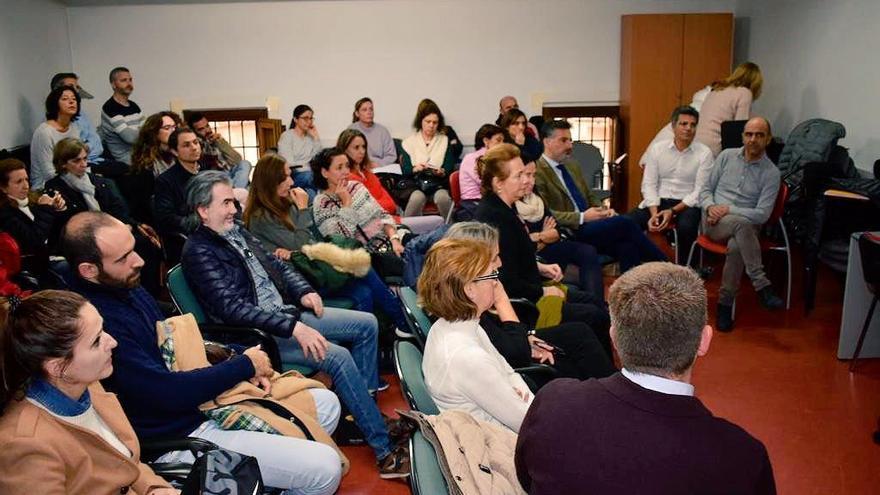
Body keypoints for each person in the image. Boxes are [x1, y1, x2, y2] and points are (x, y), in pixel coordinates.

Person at [59, 212, 346, 493]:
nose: (140, 261)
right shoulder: (100, 326)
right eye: (123, 258)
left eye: (133, 249)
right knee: (325, 467)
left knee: (326, 404)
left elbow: (174, 345)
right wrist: (244, 367)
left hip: (197, 401)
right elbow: (166, 394)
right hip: (177, 432)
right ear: (89, 270)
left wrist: (237, 357)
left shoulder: (124, 286)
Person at [179, 171, 411, 478]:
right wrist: (294, 328)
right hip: (263, 337)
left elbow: (277, 265)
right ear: (202, 210)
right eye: (226, 203)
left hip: (286, 315)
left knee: (366, 324)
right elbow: (232, 309)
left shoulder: (237, 231)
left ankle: (363, 415)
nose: (234, 209)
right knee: (338, 357)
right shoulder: (199, 251)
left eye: (234, 202)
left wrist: (304, 291)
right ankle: (383, 451)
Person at [515, 262, 776, 494]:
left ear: (614, 338)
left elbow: (527, 477)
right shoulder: (743, 458)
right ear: (704, 341)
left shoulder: (553, 401)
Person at [0, 290, 177, 495]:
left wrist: (153, 488)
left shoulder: (86, 385)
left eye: (104, 330)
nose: (112, 342)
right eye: (96, 341)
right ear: (58, 367)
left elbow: (123, 460)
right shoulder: (24, 446)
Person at [244, 153, 409, 332]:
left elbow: (311, 241)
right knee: (362, 265)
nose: (291, 182)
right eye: (285, 177)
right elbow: (303, 243)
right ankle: (404, 323)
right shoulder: (260, 217)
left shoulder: (285, 203)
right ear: (271, 181)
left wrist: (297, 246)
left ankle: (386, 336)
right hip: (300, 279)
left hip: (313, 265)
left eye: (290, 175)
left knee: (364, 289)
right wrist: (302, 209)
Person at [474, 143, 612, 357]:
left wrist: (540, 267)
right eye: (519, 175)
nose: (527, 181)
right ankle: (604, 377)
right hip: (523, 306)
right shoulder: (496, 219)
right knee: (594, 316)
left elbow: (515, 258)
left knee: (595, 303)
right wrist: (543, 291)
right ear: (498, 183)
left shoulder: (506, 208)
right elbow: (504, 280)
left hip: (530, 289)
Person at [444, 222, 616, 387]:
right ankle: (616, 393)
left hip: (514, 346)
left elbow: (500, 337)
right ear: (472, 263)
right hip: (518, 373)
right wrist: (502, 300)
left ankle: (613, 386)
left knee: (580, 332)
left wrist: (527, 337)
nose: (500, 263)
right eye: (495, 258)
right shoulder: (470, 307)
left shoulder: (462, 296)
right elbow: (514, 354)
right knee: (573, 357)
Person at [418, 237, 534, 432]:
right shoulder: (466, 356)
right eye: (491, 276)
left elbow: (508, 372)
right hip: (504, 448)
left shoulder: (455, 325)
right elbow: (528, 424)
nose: (497, 283)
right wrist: (516, 397)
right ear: (469, 289)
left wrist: (518, 395)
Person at [535, 119, 667, 272]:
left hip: (590, 224)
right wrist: (583, 217)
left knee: (627, 246)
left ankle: (631, 291)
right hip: (568, 230)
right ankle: (668, 267)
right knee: (626, 223)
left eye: (570, 140)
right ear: (547, 142)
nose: (570, 146)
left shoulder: (572, 165)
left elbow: (589, 196)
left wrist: (603, 210)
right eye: (563, 140)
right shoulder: (538, 172)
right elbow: (548, 214)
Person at [45, 138, 163, 296]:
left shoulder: (99, 181)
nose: (83, 164)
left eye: (85, 159)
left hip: (111, 230)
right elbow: (70, 221)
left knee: (145, 243)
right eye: (76, 160)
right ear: (63, 164)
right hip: (82, 239)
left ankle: (148, 293)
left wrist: (126, 224)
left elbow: (118, 209)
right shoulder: (55, 187)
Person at [698, 117, 783, 331]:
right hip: (714, 223)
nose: (753, 139)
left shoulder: (772, 173)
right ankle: (762, 285)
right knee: (741, 226)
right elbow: (705, 191)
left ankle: (724, 304)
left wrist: (729, 209)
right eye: (749, 134)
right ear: (743, 136)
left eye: (759, 135)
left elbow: (762, 214)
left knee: (737, 243)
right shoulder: (726, 156)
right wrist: (710, 207)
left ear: (768, 139)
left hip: (746, 228)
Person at [627, 105, 713, 266]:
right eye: (683, 124)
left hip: (687, 204)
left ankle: (686, 271)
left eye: (693, 125)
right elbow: (649, 184)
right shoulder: (657, 149)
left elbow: (700, 191)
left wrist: (673, 211)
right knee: (627, 222)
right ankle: (638, 266)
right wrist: (654, 213)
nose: (688, 128)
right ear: (673, 126)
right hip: (659, 201)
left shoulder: (705, 153)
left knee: (686, 228)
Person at [517, 160, 604, 299]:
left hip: (550, 247)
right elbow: (525, 246)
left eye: (534, 175)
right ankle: (595, 306)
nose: (532, 181)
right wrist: (544, 235)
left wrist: (539, 236)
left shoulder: (535, 196)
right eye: (528, 175)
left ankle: (597, 303)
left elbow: (556, 231)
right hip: (533, 258)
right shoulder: (510, 204)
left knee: (588, 251)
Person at [337, 128, 443, 234]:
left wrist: (388, 208)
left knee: (436, 223)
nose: (362, 151)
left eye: (364, 147)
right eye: (356, 147)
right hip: (381, 225)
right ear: (345, 150)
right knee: (438, 222)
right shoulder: (348, 178)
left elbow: (387, 201)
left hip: (391, 219)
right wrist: (388, 209)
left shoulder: (367, 172)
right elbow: (373, 209)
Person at [311, 148, 407, 257]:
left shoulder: (356, 186)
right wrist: (347, 203)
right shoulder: (322, 203)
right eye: (339, 168)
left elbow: (383, 215)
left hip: (392, 238)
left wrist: (395, 240)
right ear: (324, 173)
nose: (346, 171)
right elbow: (340, 241)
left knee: (426, 243)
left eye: (347, 166)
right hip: (368, 255)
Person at [0, 159, 67, 276]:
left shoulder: (34, 201)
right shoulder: (4, 214)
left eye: (26, 179)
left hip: (54, 255)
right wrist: (46, 209)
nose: (26, 186)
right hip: (34, 267)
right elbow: (34, 241)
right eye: (18, 182)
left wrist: (58, 210)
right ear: (3, 187)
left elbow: (56, 233)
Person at [152, 127, 202, 261]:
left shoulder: (209, 171)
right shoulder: (166, 181)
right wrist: (198, 222)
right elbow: (166, 218)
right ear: (174, 151)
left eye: (196, 142)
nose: (194, 148)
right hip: (188, 238)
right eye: (186, 145)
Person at [125, 111, 183, 224]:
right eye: (167, 128)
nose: (173, 131)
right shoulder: (145, 167)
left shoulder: (179, 156)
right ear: (155, 133)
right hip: (160, 220)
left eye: (174, 127)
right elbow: (145, 205)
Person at [400, 100, 454, 219]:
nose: (431, 125)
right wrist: (416, 168)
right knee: (416, 198)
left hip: (438, 184)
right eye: (428, 121)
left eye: (435, 122)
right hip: (416, 184)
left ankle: (451, 230)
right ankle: (406, 231)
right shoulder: (408, 142)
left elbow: (449, 167)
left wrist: (442, 171)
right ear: (421, 121)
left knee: (443, 198)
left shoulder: (444, 140)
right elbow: (405, 170)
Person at [695, 61, 763, 156]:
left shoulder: (717, 89)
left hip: (696, 142)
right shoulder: (745, 93)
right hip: (715, 146)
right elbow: (740, 128)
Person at [30, 85, 81, 190]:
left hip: (73, 179)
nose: (71, 102)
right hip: (46, 185)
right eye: (65, 99)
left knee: (104, 186)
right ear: (55, 104)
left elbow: (80, 159)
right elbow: (49, 173)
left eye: (74, 99)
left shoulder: (74, 127)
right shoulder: (44, 132)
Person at [187, 111, 252, 190]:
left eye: (207, 126)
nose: (207, 130)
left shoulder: (215, 140)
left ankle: (235, 191)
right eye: (201, 129)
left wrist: (220, 142)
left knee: (245, 163)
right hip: (216, 176)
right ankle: (237, 192)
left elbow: (237, 160)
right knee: (244, 186)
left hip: (229, 171)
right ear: (194, 132)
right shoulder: (196, 144)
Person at [456, 124, 505, 221]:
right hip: (472, 204)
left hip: (488, 201)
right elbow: (487, 184)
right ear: (486, 141)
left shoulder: (496, 159)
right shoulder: (472, 158)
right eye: (498, 140)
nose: (502, 144)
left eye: (503, 141)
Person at [100, 67, 144, 165]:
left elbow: (147, 129)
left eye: (130, 80)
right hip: (125, 160)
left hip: (140, 154)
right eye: (124, 80)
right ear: (113, 84)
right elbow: (130, 137)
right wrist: (143, 132)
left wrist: (145, 132)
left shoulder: (134, 106)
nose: (129, 84)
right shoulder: (110, 107)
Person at [277, 104, 321, 193]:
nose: (309, 121)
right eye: (305, 118)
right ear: (295, 119)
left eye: (311, 118)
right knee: (311, 176)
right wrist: (306, 166)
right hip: (292, 174)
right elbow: (288, 163)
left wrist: (316, 137)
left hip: (309, 174)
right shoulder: (287, 136)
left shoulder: (310, 137)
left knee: (311, 193)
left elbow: (318, 157)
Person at [348, 97, 396, 166]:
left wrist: (378, 164)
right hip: (358, 167)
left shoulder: (382, 131)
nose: (369, 112)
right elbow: (346, 154)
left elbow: (391, 156)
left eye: (371, 109)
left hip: (379, 168)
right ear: (357, 114)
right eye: (364, 110)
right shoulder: (351, 130)